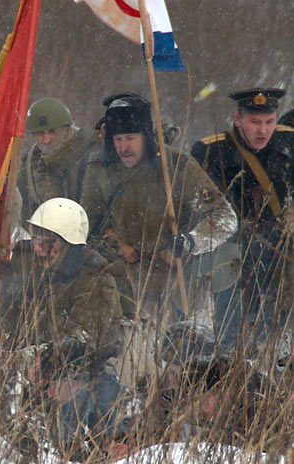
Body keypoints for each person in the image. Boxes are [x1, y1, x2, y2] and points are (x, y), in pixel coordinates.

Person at [79, 93, 238, 387]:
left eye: (131, 138)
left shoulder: (176, 166)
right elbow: (85, 226)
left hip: (177, 280)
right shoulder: (100, 170)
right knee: (127, 367)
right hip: (125, 283)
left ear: (146, 136)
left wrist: (190, 242)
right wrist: (113, 242)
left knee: (180, 368)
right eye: (117, 139)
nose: (124, 147)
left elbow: (224, 216)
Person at [191, 88, 294, 350]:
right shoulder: (211, 151)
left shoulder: (289, 143)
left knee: (278, 330)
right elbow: (201, 209)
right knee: (232, 332)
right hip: (234, 249)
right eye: (255, 122)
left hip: (280, 250)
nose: (263, 131)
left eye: (269, 122)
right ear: (238, 119)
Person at [0, 198, 122, 356]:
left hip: (77, 368)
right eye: (35, 238)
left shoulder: (95, 280)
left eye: (47, 242)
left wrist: (19, 360)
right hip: (22, 359)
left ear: (69, 245)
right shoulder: (26, 261)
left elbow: (75, 347)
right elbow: (5, 324)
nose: (37, 248)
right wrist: (4, 286)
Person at [20, 97, 101, 220]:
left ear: (66, 130)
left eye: (52, 132)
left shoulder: (91, 152)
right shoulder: (30, 162)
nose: (46, 140)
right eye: (40, 133)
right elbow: (27, 211)